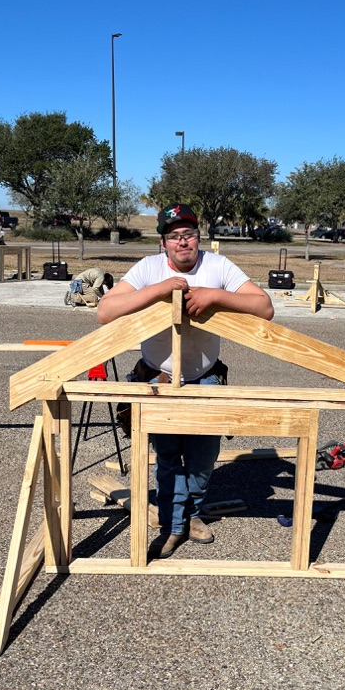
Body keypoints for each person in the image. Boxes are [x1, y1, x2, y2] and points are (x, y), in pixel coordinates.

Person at [97, 203, 274, 559]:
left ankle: (191, 515)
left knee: (202, 459)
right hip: (158, 377)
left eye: (189, 235)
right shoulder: (149, 268)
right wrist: (158, 290)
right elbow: (105, 311)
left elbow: (264, 307)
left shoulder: (217, 266)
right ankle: (172, 525)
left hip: (203, 377)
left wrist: (215, 295)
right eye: (174, 236)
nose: (183, 243)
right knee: (166, 457)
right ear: (163, 242)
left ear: (198, 237)